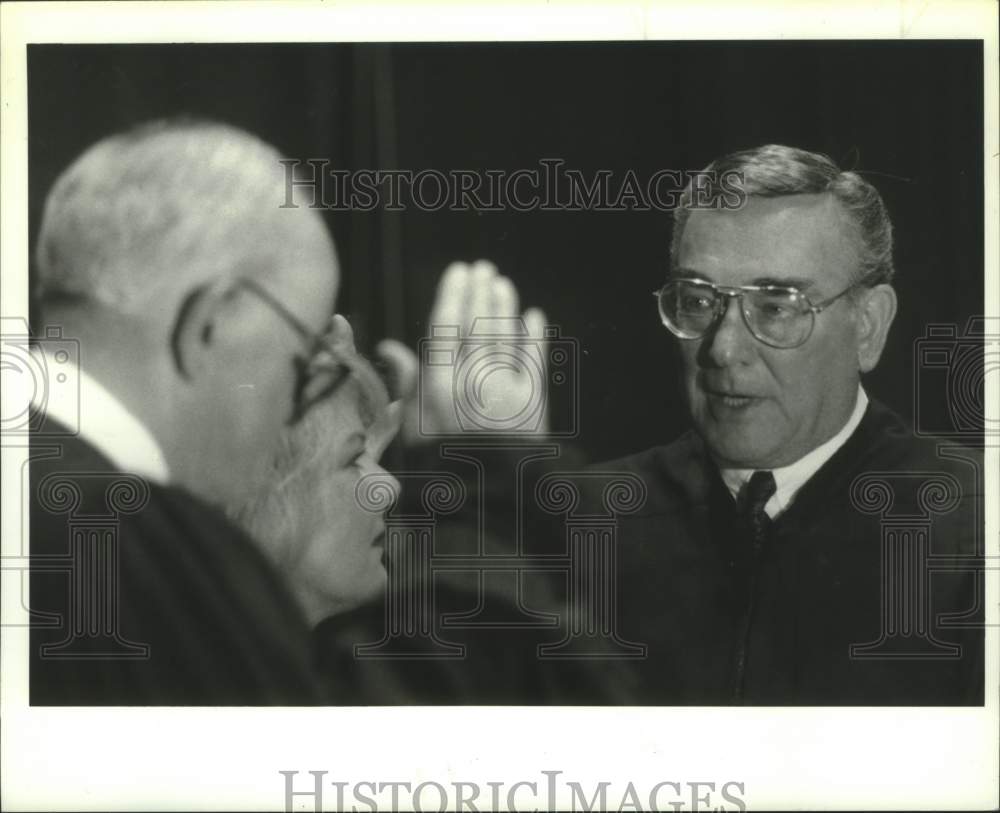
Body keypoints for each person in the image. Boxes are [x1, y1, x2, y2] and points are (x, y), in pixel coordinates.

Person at [589, 144, 984, 704]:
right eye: (699, 301)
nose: (723, 349)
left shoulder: (975, 530)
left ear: (868, 327)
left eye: (776, 306)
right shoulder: (586, 523)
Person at [28, 119, 401, 704]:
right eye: (300, 359)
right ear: (212, 324)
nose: (293, 405)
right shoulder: (127, 544)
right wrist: (493, 481)